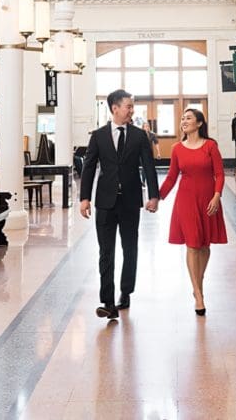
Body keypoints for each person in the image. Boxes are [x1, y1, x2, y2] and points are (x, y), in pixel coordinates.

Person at [79, 89, 160, 319]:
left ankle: (126, 292)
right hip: (105, 203)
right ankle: (107, 301)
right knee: (106, 252)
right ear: (115, 108)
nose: (132, 111)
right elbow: (89, 167)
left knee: (130, 249)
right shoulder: (98, 136)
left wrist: (153, 196)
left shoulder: (138, 136)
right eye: (128, 106)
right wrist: (85, 198)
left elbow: (149, 166)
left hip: (130, 202)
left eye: (132, 107)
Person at [159, 108, 227, 316]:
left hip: (208, 200)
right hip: (186, 201)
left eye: (188, 118)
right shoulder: (177, 148)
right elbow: (171, 177)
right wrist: (157, 197)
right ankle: (198, 294)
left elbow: (219, 174)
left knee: (204, 245)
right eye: (182, 119)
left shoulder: (210, 146)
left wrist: (217, 196)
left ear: (199, 123)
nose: (184, 121)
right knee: (192, 245)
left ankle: (199, 279)